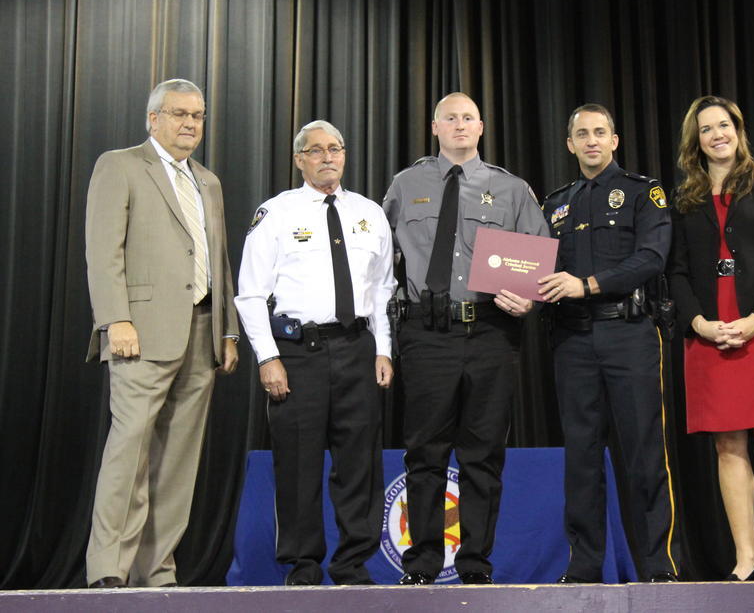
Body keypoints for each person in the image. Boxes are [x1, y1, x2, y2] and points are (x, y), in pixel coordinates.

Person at [382, 92, 548, 585]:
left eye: (468, 118)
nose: (459, 125)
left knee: (482, 453)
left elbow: (537, 261)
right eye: (450, 118)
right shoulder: (405, 183)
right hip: (426, 332)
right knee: (425, 451)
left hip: (491, 332)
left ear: (481, 127)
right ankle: (423, 562)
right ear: (434, 127)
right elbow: (375, 258)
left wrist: (530, 299)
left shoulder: (512, 188)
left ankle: (476, 563)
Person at [84, 78, 239, 587]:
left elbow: (218, 260)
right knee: (129, 449)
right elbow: (102, 250)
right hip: (141, 332)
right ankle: (109, 570)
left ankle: (158, 571)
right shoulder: (121, 165)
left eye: (197, 115)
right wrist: (115, 319)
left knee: (178, 460)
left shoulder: (208, 181)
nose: (190, 124)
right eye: (179, 114)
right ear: (154, 119)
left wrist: (228, 332)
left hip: (202, 332)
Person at [235, 120, 395, 586]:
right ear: (299, 159)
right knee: (299, 463)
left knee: (359, 464)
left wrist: (383, 350)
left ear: (345, 155)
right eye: (316, 150)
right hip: (297, 353)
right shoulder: (276, 214)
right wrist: (267, 357)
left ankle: (352, 565)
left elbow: (383, 289)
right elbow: (249, 295)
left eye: (336, 148)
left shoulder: (370, 213)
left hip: (358, 348)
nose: (328, 157)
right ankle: (303, 566)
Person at [538, 103, 680, 583]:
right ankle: (584, 566)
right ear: (570, 144)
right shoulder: (555, 203)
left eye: (601, 132)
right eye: (583, 134)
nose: (592, 140)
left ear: (615, 140)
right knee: (580, 456)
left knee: (643, 451)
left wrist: (589, 284)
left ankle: (658, 565)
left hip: (629, 333)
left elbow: (651, 258)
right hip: (572, 339)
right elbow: (533, 269)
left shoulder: (644, 192)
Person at [668, 95, 754, 581]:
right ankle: (746, 557)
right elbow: (677, 273)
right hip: (710, 329)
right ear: (696, 141)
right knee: (728, 444)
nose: (716, 135)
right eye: (706, 129)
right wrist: (699, 324)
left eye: (723, 125)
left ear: (738, 130)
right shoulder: (684, 200)